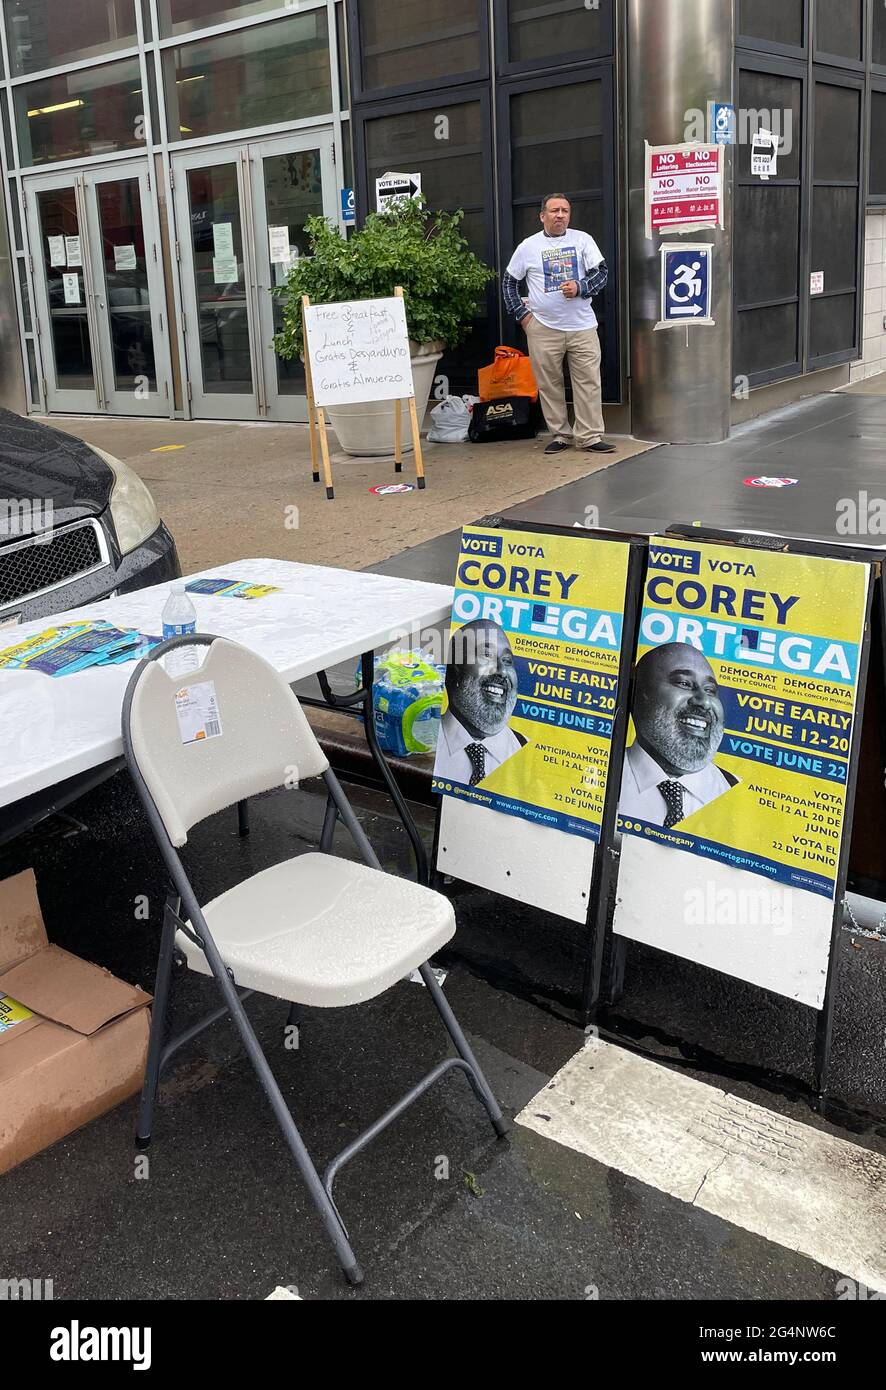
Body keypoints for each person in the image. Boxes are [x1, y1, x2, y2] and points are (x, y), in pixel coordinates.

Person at [502, 194, 613, 457]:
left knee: (588, 382)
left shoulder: (583, 240)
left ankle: (589, 436)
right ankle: (560, 435)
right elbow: (509, 282)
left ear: (569, 215)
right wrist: (523, 316)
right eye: (554, 211)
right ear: (542, 216)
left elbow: (602, 274)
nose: (560, 215)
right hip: (542, 327)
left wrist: (580, 287)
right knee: (549, 383)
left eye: (565, 210)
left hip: (582, 326)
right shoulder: (528, 246)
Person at [618, 643, 739, 829]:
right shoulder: (602, 775)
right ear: (640, 694)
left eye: (710, 690)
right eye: (684, 683)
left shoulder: (735, 791)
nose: (704, 701)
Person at [434, 618, 527, 786]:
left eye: (507, 661)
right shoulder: (426, 741)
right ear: (454, 668)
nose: (501, 671)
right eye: (487, 655)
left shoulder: (525, 751)